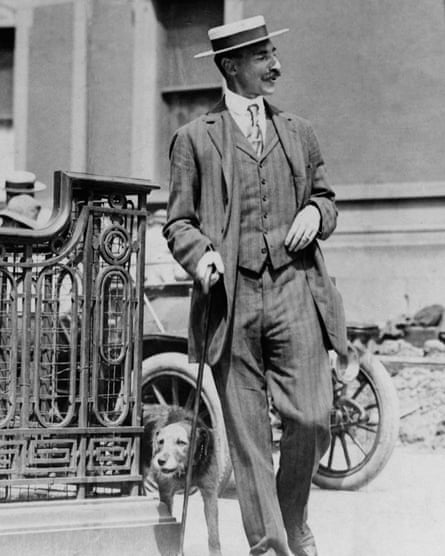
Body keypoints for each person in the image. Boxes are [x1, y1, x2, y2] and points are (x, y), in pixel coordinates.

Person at [163, 15, 348, 556]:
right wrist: (201, 257)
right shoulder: (194, 140)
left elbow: (327, 197)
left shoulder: (298, 131)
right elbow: (178, 223)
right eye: (263, 56)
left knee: (312, 419)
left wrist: (317, 212)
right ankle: (267, 545)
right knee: (247, 440)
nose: (276, 65)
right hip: (231, 300)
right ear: (230, 66)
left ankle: (292, 518)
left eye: (272, 53)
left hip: (296, 289)